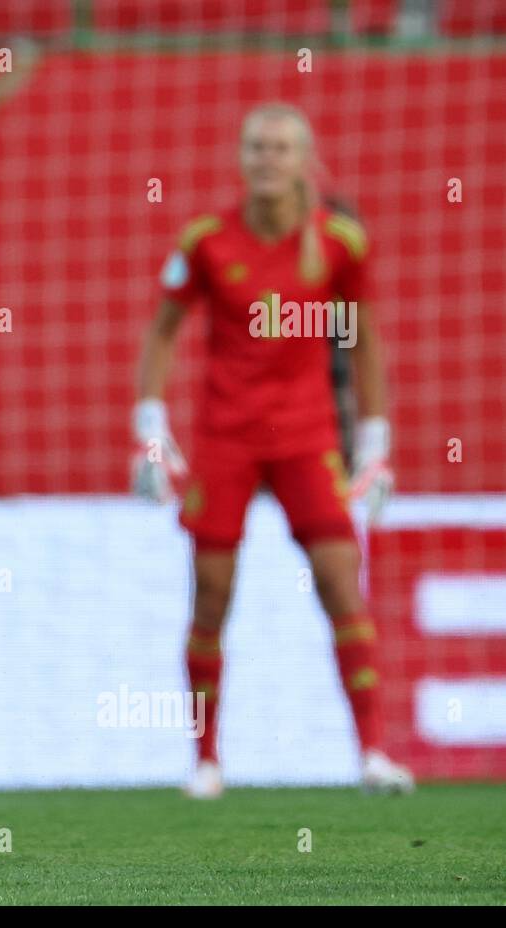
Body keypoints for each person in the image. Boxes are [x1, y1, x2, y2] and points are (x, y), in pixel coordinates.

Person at [131, 103, 412, 799]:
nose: (267, 159)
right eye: (256, 147)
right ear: (241, 157)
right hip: (227, 439)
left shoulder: (340, 243)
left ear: (303, 159)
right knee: (212, 597)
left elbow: (367, 340)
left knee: (342, 582)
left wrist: (376, 445)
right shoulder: (206, 241)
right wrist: (151, 429)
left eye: (281, 148)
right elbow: (163, 332)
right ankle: (205, 761)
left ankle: (373, 753)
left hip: (308, 438)